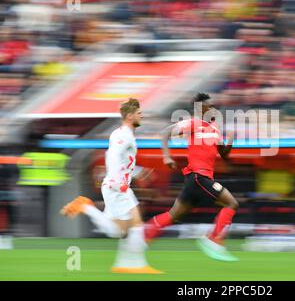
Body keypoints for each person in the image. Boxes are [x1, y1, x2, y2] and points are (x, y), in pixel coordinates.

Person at [60, 98, 161, 274]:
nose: (142, 115)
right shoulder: (123, 135)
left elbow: (121, 160)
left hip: (120, 185)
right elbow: (113, 156)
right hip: (117, 187)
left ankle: (126, 264)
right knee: (127, 228)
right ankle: (136, 264)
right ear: (130, 116)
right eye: (138, 113)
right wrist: (116, 182)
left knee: (127, 227)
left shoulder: (124, 133)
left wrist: (138, 172)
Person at [144, 93, 239, 261]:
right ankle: (213, 239)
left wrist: (230, 140)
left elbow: (223, 154)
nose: (213, 108)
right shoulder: (193, 124)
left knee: (174, 214)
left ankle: (144, 235)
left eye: (213, 106)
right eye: (209, 106)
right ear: (200, 109)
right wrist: (167, 156)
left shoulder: (215, 128)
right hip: (198, 176)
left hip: (197, 180)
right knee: (232, 203)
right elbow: (165, 133)